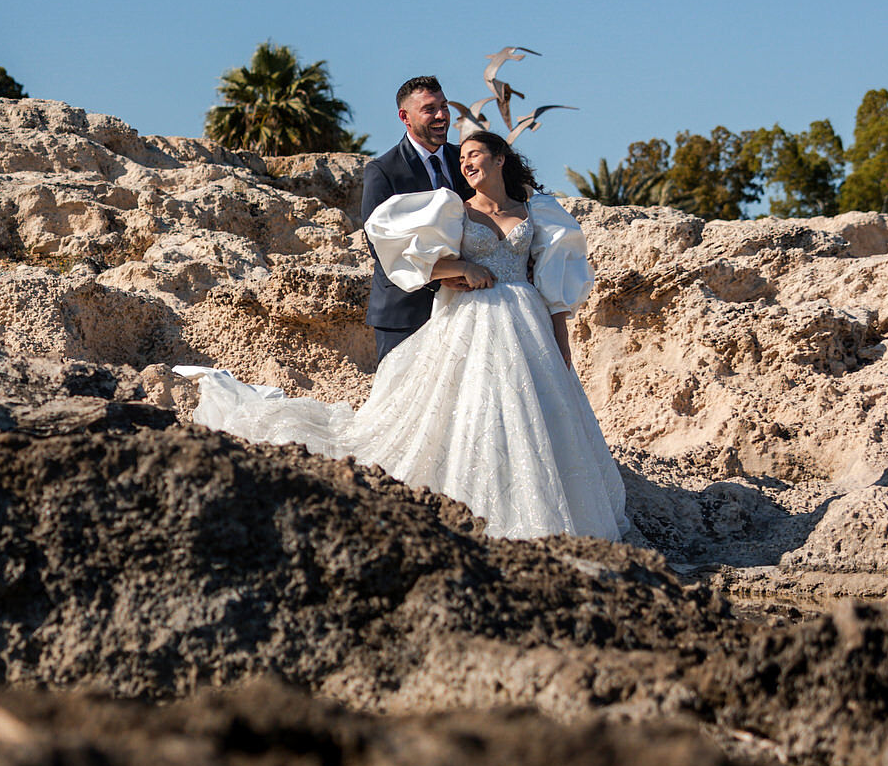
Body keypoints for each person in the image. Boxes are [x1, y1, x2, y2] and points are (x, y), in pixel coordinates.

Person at [180, 130, 628, 541]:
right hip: (471, 320)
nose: (467, 162)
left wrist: (560, 341)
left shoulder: (535, 211)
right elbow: (399, 251)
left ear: (500, 159)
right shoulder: (452, 208)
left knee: (537, 411)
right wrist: (460, 267)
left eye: (475, 155)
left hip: (526, 320)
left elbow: (554, 288)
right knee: (474, 407)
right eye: (464, 156)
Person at [361, 76, 473, 366]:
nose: (441, 116)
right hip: (404, 312)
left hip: (464, 308)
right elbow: (381, 245)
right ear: (405, 117)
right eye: (430, 109)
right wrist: (439, 273)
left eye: (444, 106)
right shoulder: (383, 171)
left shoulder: (465, 160)